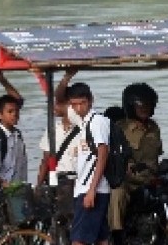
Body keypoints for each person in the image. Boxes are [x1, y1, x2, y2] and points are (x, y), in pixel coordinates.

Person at [109, 83, 163, 245]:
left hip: (152, 177)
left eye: (149, 105)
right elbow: (113, 154)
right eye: (141, 106)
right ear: (131, 106)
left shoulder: (154, 128)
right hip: (129, 179)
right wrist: (126, 165)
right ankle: (116, 235)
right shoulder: (119, 128)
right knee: (117, 193)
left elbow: (157, 154)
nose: (146, 109)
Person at [67, 82, 111, 245]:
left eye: (82, 103)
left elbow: (103, 153)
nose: (78, 108)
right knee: (101, 239)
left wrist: (91, 190)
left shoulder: (96, 122)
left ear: (90, 101)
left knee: (78, 241)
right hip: (89, 188)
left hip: (92, 189)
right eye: (74, 105)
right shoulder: (85, 123)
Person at [0, 95, 27, 183]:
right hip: (4, 189)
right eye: (10, 112)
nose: (15, 114)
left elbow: (22, 164)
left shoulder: (18, 134)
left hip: (19, 187)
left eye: (17, 111)